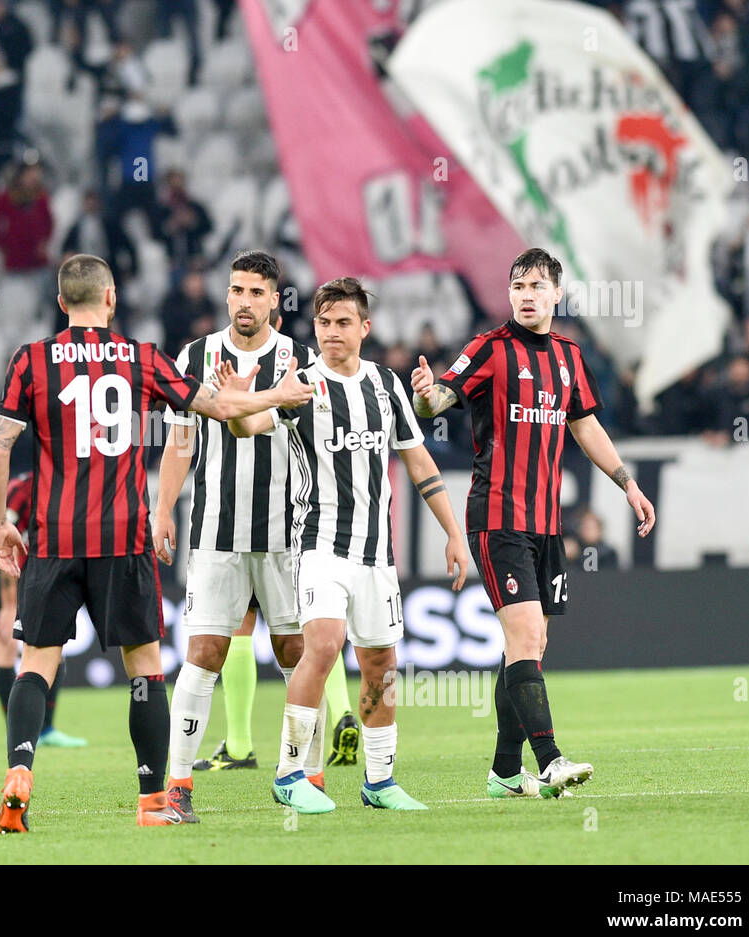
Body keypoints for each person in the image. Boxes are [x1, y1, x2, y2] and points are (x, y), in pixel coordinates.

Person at [0, 253, 312, 832]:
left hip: (54, 537)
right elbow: (219, 409)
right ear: (111, 299)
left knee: (36, 666)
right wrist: (275, 397)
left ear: (62, 303)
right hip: (122, 538)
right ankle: (152, 802)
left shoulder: (30, 360)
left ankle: (19, 771)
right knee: (144, 671)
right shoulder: (141, 359)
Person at [410, 247, 656, 798]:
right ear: (509, 293)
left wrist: (628, 483)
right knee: (523, 634)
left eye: (537, 285)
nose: (526, 294)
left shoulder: (569, 356)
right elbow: (442, 397)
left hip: (546, 523)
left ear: (555, 294)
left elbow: (585, 425)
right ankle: (549, 760)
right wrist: (427, 397)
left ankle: (503, 772)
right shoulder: (489, 349)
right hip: (496, 516)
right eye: (518, 285)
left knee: (530, 643)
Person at [225, 277, 469, 814]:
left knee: (381, 664)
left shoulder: (385, 384)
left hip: (376, 553)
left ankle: (379, 783)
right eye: (323, 323)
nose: (331, 333)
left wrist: (453, 531)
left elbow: (418, 459)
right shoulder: (301, 384)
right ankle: (291, 774)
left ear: (365, 328)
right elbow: (246, 429)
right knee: (325, 644)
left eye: (342, 323)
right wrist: (242, 402)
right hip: (318, 546)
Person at [153, 250, 327, 823]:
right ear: (225, 296)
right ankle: (177, 786)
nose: (244, 302)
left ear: (276, 299)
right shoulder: (195, 355)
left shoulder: (300, 360)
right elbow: (180, 440)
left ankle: (306, 773)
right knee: (204, 653)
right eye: (236, 291)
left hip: (287, 534)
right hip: (215, 533)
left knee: (297, 655)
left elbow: (262, 427)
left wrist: (250, 398)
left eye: (256, 292)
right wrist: (162, 510)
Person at [0, 470, 86, 747]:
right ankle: (18, 731)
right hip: (0, 571)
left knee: (52, 646)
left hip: (35, 569)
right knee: (7, 644)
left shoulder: (70, 482)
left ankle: (45, 730)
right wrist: (1, 609)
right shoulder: (23, 490)